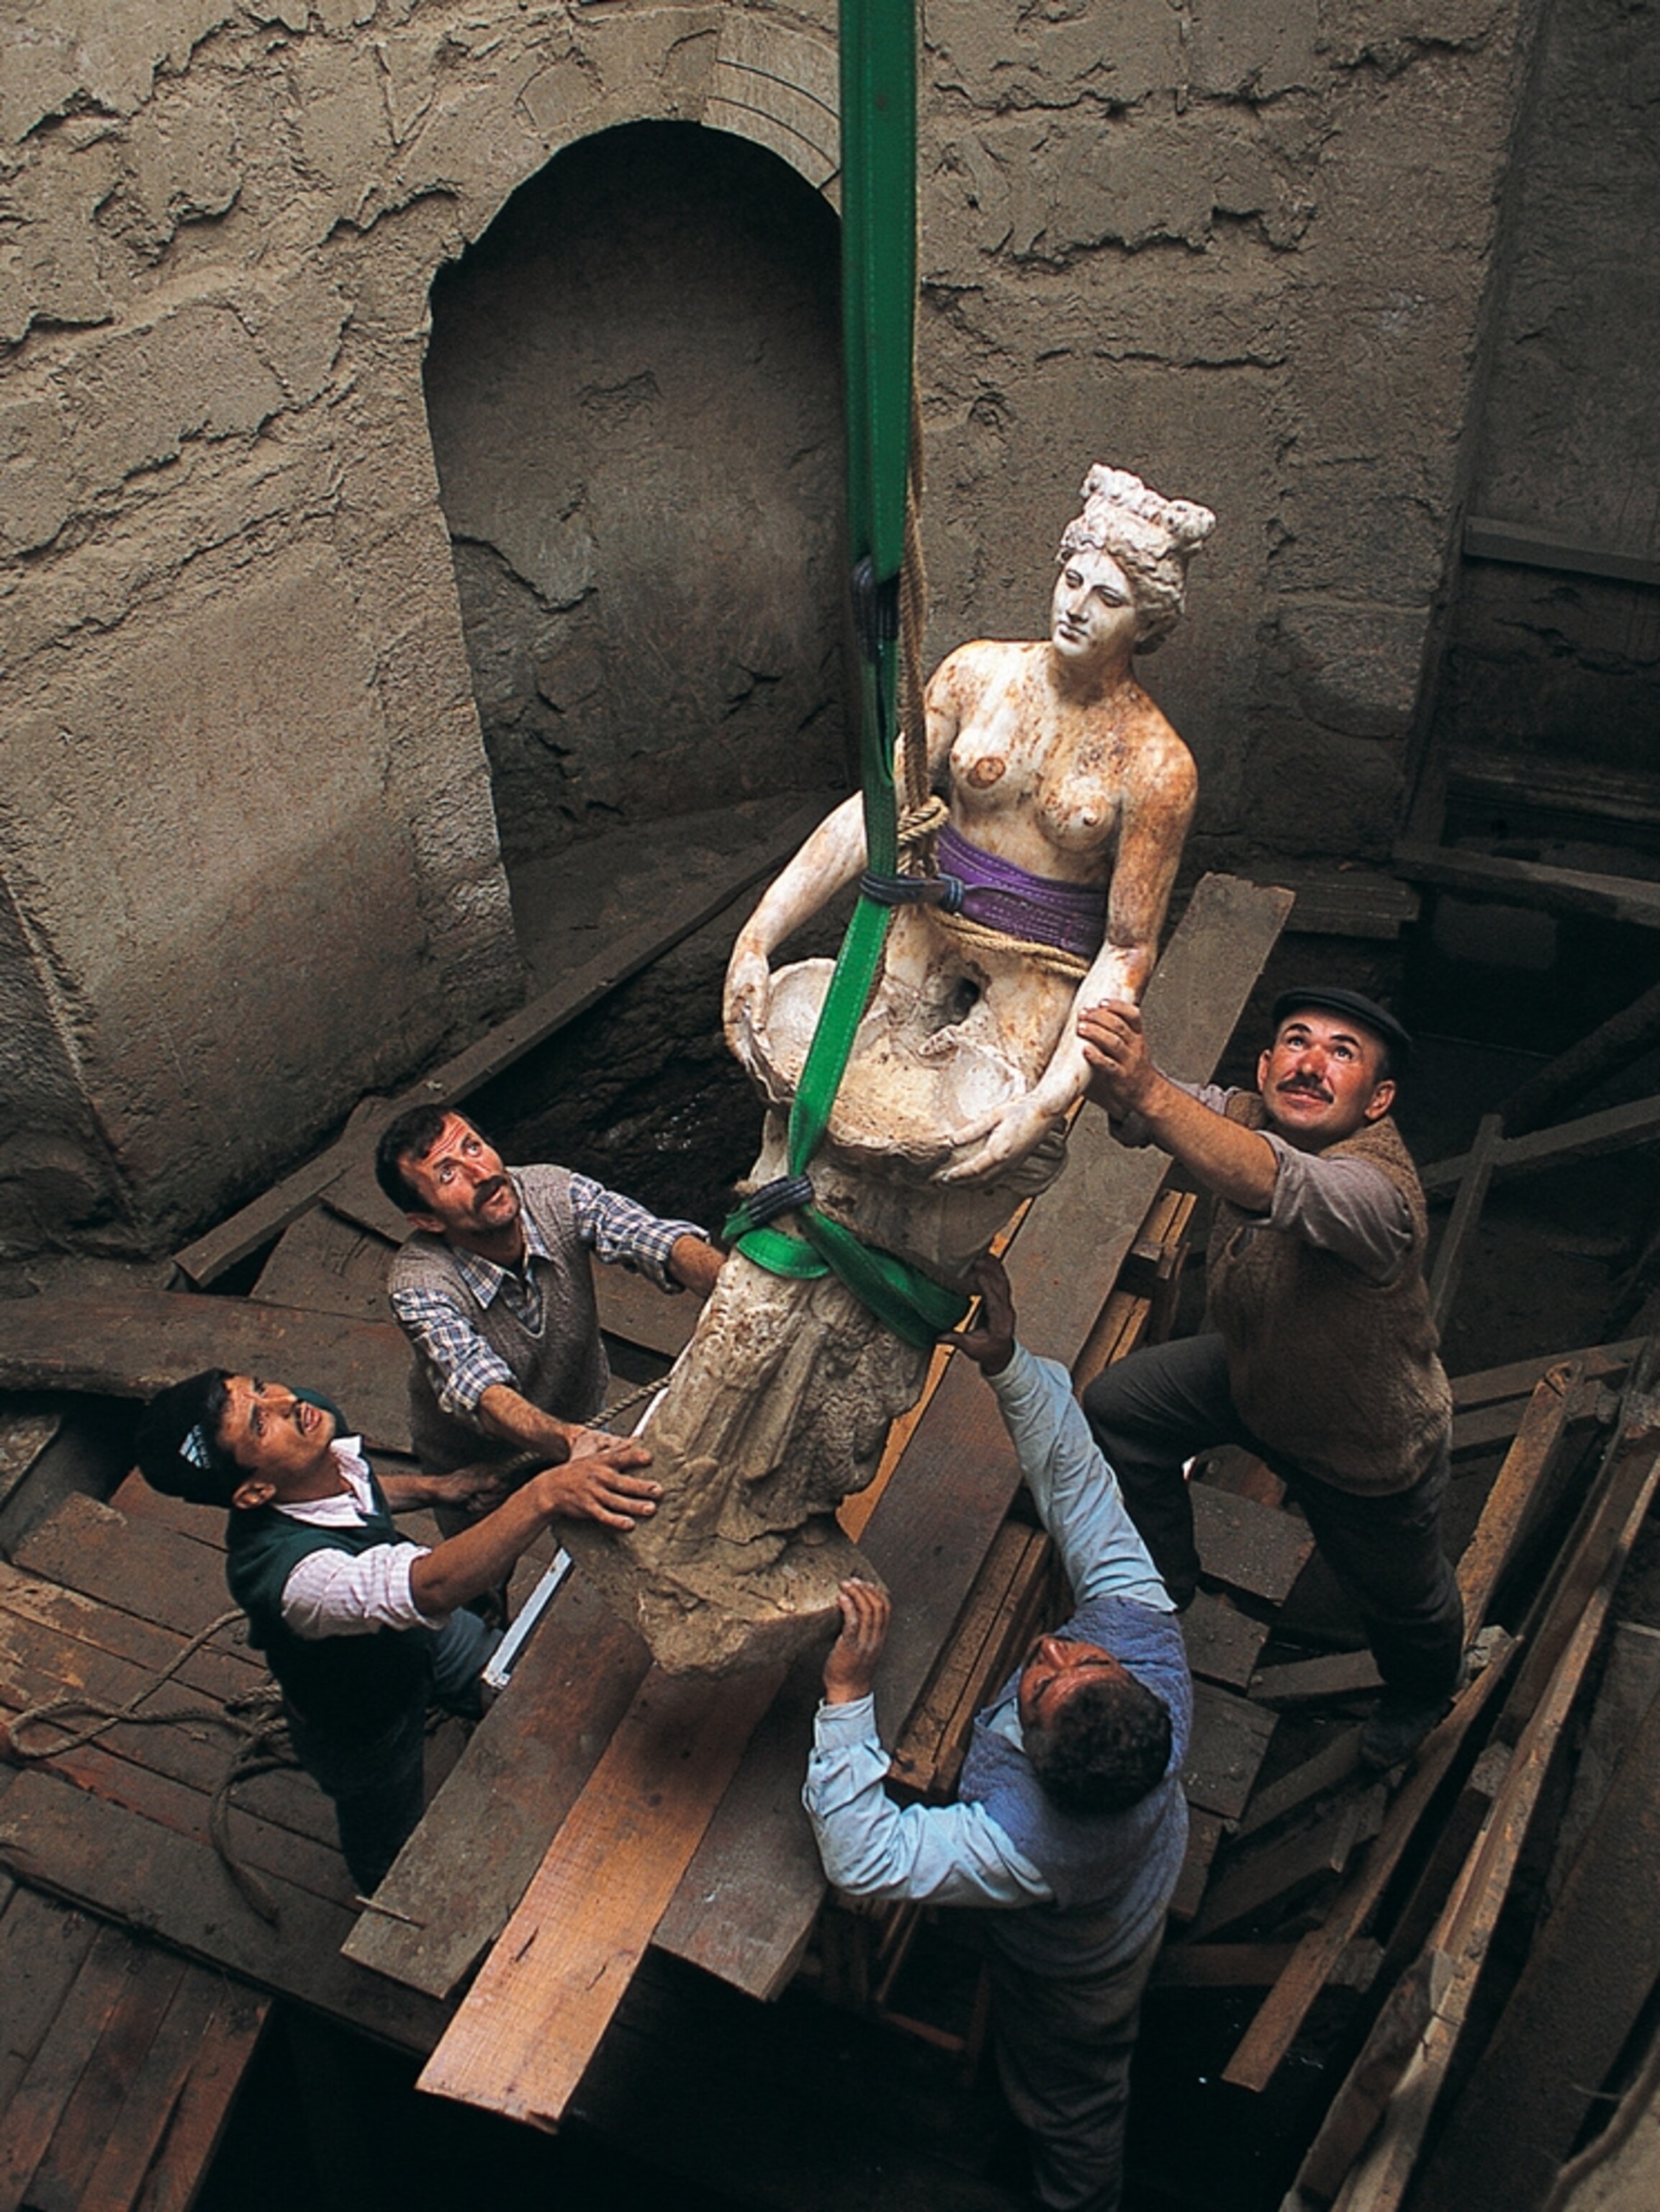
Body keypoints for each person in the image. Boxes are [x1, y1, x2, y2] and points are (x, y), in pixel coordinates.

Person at [804, 1257, 1191, 2212]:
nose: (1050, 1647)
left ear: (1040, 1769)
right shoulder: (1145, 1640)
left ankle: (1076, 2198)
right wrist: (1009, 1364)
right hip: (1136, 1860)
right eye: (1079, 1658)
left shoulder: (1029, 1842)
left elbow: (861, 1856)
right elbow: (1079, 1490)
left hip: (1080, 1969)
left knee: (1071, 2099)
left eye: (1043, 1684)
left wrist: (847, 1693)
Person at [725, 465, 1214, 1191]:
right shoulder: (977, 673)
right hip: (924, 922)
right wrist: (759, 935)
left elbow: (1126, 947)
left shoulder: (1156, 764)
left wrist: (1050, 1100)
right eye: (1072, 580)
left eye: (1108, 598)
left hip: (1038, 969)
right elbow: (876, 811)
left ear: (1145, 624)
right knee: (818, 1089)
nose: (1077, 608)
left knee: (964, 1144)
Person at [1078, 986, 1464, 1771]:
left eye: (1341, 1054)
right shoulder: (1247, 1114)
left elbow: (1274, 1181)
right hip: (1256, 1378)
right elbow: (1154, 1103)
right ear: (1263, 1067)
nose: (1311, 1064)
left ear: (1377, 1101)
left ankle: (1419, 1697)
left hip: (1359, 1445)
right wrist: (1094, 1055)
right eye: (1296, 1041)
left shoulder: (1378, 1194)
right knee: (1119, 1408)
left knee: (1404, 1601)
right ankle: (1166, 1583)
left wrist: (1147, 1089)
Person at [134, 1367, 659, 1893]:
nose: (283, 1402)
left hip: (417, 1638)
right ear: (255, 1492)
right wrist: (546, 1495)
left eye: (260, 1387)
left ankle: (491, 1709)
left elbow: (352, 1481)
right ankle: (384, 1887)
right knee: (383, 1810)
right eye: (258, 1423)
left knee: (509, 1675)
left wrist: (438, 1489)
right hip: (363, 1711)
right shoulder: (298, 1579)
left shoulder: (309, 1428)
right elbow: (431, 1587)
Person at [376, 1104, 723, 1491]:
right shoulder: (419, 1285)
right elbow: (481, 1390)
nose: (481, 1174)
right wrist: (570, 1442)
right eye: (448, 1174)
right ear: (427, 1221)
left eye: (473, 1147)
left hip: (583, 1421)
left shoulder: (553, 1192)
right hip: (483, 1470)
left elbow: (650, 1237)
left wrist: (732, 1286)